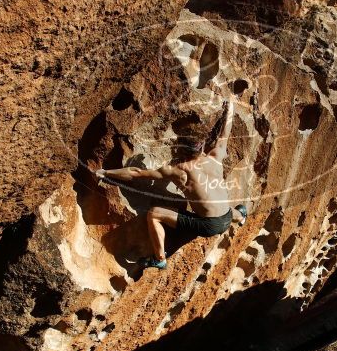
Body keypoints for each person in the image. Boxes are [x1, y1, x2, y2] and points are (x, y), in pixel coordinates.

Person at [95, 100, 247, 269]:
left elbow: (136, 174)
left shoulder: (178, 172)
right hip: (227, 215)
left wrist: (106, 173)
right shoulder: (215, 156)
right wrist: (230, 107)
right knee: (218, 203)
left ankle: (159, 258)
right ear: (202, 146)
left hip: (208, 226)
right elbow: (225, 132)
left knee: (154, 214)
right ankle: (240, 216)